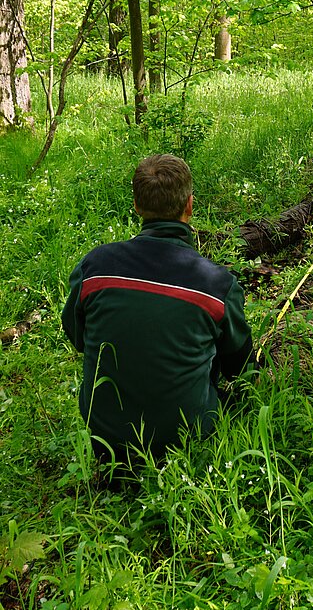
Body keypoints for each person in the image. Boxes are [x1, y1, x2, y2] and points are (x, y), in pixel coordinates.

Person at [62, 154, 255, 472]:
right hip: (184, 438)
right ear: (190, 206)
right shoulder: (217, 285)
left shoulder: (94, 267)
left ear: (137, 206)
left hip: (105, 438)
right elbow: (243, 371)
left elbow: (78, 336)